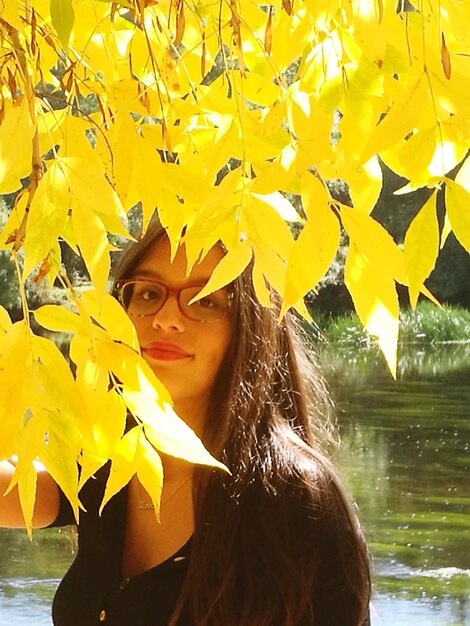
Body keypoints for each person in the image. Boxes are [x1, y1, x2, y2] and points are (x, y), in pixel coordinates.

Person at [0, 219, 371, 625]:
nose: (166, 319)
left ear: (251, 325)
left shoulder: (294, 498)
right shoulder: (108, 456)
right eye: (148, 293)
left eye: (206, 300)